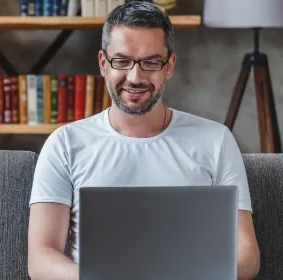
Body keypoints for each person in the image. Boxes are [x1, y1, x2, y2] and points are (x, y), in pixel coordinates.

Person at [27, 1, 260, 280]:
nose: (135, 77)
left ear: (169, 65)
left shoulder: (217, 140)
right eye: (122, 61)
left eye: (151, 62)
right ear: (103, 63)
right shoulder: (64, 144)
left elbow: (247, 257)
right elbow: (41, 259)